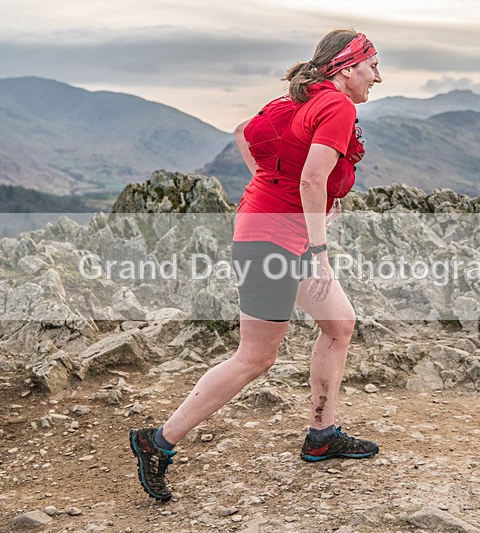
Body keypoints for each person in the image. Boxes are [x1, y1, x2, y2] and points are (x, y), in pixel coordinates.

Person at [129, 28, 383, 502]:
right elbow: (312, 180)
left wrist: (271, 185)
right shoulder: (337, 106)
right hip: (273, 243)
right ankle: (157, 441)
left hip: (274, 232)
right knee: (256, 357)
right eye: (372, 66)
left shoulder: (300, 100)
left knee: (339, 323)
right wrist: (319, 250)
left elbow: (243, 132)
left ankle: (322, 435)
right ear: (348, 67)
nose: (378, 77)